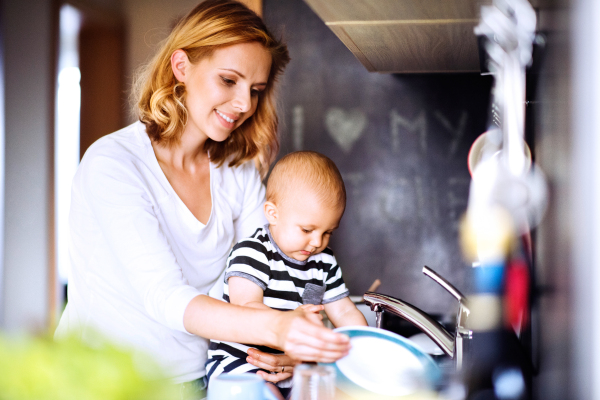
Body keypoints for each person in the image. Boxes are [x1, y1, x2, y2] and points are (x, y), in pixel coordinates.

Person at [54, 0, 350, 395]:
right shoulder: (113, 165)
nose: (245, 104)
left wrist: (289, 348)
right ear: (182, 67)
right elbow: (166, 297)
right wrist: (277, 327)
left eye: (256, 90)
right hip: (107, 381)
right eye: (229, 81)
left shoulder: (238, 172)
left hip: (203, 378)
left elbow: (270, 269)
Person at [205, 151, 367, 399]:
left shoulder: (324, 262)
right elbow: (246, 307)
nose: (316, 242)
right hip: (242, 365)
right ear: (273, 213)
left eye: (328, 233)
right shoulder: (253, 252)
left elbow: (344, 312)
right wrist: (291, 322)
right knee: (264, 394)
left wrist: (364, 346)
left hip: (295, 367)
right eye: (307, 229)